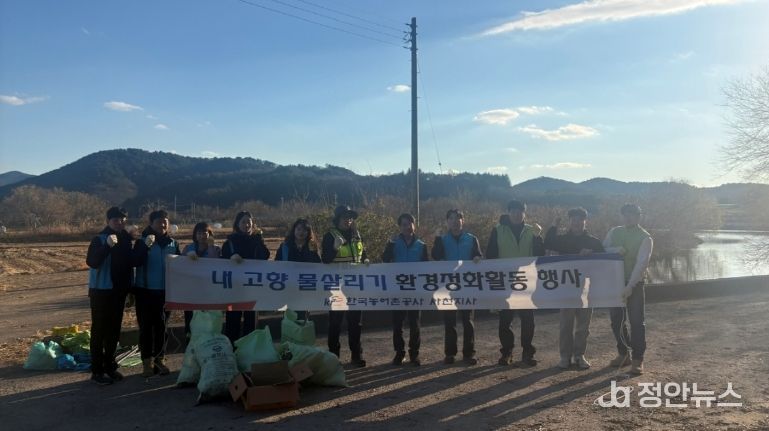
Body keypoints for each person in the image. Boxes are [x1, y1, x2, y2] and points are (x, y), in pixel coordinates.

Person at [543, 207, 605, 370]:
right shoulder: (562, 240)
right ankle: (565, 357)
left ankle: (579, 355)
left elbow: (605, 262)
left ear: (585, 221)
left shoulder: (594, 242)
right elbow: (547, 242)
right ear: (569, 221)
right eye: (573, 219)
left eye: (580, 219)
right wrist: (554, 225)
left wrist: (592, 253)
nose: (576, 222)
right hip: (566, 289)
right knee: (566, 325)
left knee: (583, 326)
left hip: (587, 290)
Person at [486, 200, 545, 367]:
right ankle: (507, 352)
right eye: (513, 211)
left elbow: (540, 254)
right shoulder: (498, 230)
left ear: (524, 213)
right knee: (505, 320)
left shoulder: (532, 231)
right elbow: (490, 254)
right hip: (505, 282)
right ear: (508, 212)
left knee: (528, 319)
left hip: (526, 281)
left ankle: (527, 352)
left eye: (520, 211)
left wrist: (538, 237)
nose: (517, 214)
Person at [85, 206, 138, 385]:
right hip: (101, 291)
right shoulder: (99, 239)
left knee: (114, 331)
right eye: (116, 220)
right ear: (108, 221)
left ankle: (110, 366)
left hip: (119, 292)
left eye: (123, 219)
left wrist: (130, 290)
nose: (120, 222)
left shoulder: (126, 240)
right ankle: (97, 371)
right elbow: (92, 262)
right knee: (99, 330)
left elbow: (129, 265)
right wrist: (107, 246)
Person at [604, 203, 653, 375]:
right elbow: (603, 251)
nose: (628, 218)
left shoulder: (645, 238)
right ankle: (624, 354)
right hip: (615, 283)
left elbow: (641, 265)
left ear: (639, 217)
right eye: (625, 214)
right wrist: (614, 249)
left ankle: (638, 359)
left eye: (632, 215)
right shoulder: (614, 232)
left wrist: (630, 286)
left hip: (635, 284)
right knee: (616, 321)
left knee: (637, 322)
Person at [431, 209, 483, 366]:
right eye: (451, 218)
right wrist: (437, 238)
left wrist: (477, 258)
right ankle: (450, 353)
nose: (455, 221)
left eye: (458, 218)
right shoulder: (442, 239)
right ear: (447, 222)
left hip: (468, 285)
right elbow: (435, 255)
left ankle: (469, 353)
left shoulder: (472, 239)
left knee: (468, 321)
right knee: (449, 321)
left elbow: (479, 256)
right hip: (448, 286)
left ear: (463, 221)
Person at [135, 210, 180, 377]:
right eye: (159, 222)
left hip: (165, 292)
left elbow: (179, 266)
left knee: (162, 328)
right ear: (151, 224)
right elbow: (135, 261)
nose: (163, 225)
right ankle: (147, 363)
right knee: (146, 328)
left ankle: (160, 360)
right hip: (144, 292)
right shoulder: (142, 242)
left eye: (165, 222)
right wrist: (145, 246)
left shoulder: (173, 244)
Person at [321, 205, 368, 367]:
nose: (348, 220)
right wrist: (334, 248)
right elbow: (325, 260)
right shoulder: (329, 236)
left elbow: (362, 255)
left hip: (355, 285)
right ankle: (334, 357)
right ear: (337, 219)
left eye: (350, 217)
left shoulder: (356, 235)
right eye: (344, 217)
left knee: (356, 322)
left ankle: (356, 354)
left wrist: (366, 261)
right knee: (335, 322)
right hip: (336, 285)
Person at [382, 213, 428, 366]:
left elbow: (427, 268)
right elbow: (385, 259)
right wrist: (390, 244)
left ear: (414, 225)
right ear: (399, 227)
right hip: (398, 289)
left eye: (409, 224)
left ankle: (414, 354)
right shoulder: (393, 243)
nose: (407, 227)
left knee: (415, 323)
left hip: (415, 289)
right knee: (397, 323)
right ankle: (399, 353)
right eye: (403, 224)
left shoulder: (422, 245)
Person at [221, 210, 270, 343]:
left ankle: (249, 353)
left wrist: (260, 241)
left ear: (253, 224)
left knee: (251, 322)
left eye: (249, 221)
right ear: (237, 224)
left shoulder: (257, 240)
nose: (246, 224)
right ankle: (232, 350)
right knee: (232, 321)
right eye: (243, 221)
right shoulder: (230, 242)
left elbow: (264, 256)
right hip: (234, 289)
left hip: (252, 288)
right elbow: (221, 260)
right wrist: (230, 257)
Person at [181, 222, 221, 340]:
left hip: (209, 290)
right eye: (199, 233)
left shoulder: (216, 249)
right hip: (191, 290)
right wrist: (188, 256)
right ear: (195, 235)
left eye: (205, 233)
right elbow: (180, 265)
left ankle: (209, 339)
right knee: (190, 316)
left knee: (209, 316)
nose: (202, 235)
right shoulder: (188, 248)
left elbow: (218, 264)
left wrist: (211, 247)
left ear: (209, 234)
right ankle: (190, 339)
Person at [275, 218, 321, 320]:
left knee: (303, 317)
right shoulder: (285, 246)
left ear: (308, 232)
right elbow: (277, 265)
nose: (301, 232)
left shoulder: (312, 246)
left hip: (305, 287)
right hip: (289, 287)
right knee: (289, 318)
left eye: (305, 230)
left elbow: (318, 265)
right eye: (299, 229)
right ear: (294, 230)